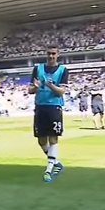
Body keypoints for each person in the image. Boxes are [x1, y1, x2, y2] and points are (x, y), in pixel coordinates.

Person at [28, 44, 67, 182]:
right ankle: (56, 162)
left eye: (53, 54)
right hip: (40, 106)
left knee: (53, 138)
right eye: (49, 53)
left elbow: (62, 91)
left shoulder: (63, 70)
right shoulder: (37, 69)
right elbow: (30, 90)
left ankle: (49, 170)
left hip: (54, 107)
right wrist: (35, 87)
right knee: (41, 140)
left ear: (57, 54)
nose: (51, 56)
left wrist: (51, 86)